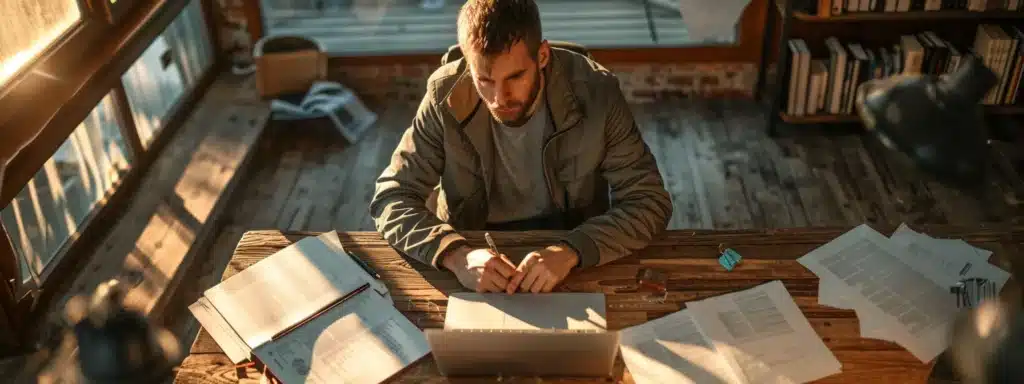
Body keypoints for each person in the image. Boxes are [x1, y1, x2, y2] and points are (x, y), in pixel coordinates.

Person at [369, 0, 672, 295]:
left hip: (570, 251)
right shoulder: (443, 94)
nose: (500, 98)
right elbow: (392, 198)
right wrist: (456, 255)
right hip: (475, 250)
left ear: (542, 56)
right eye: (484, 79)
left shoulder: (596, 93)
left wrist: (573, 250)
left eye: (515, 77)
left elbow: (648, 201)